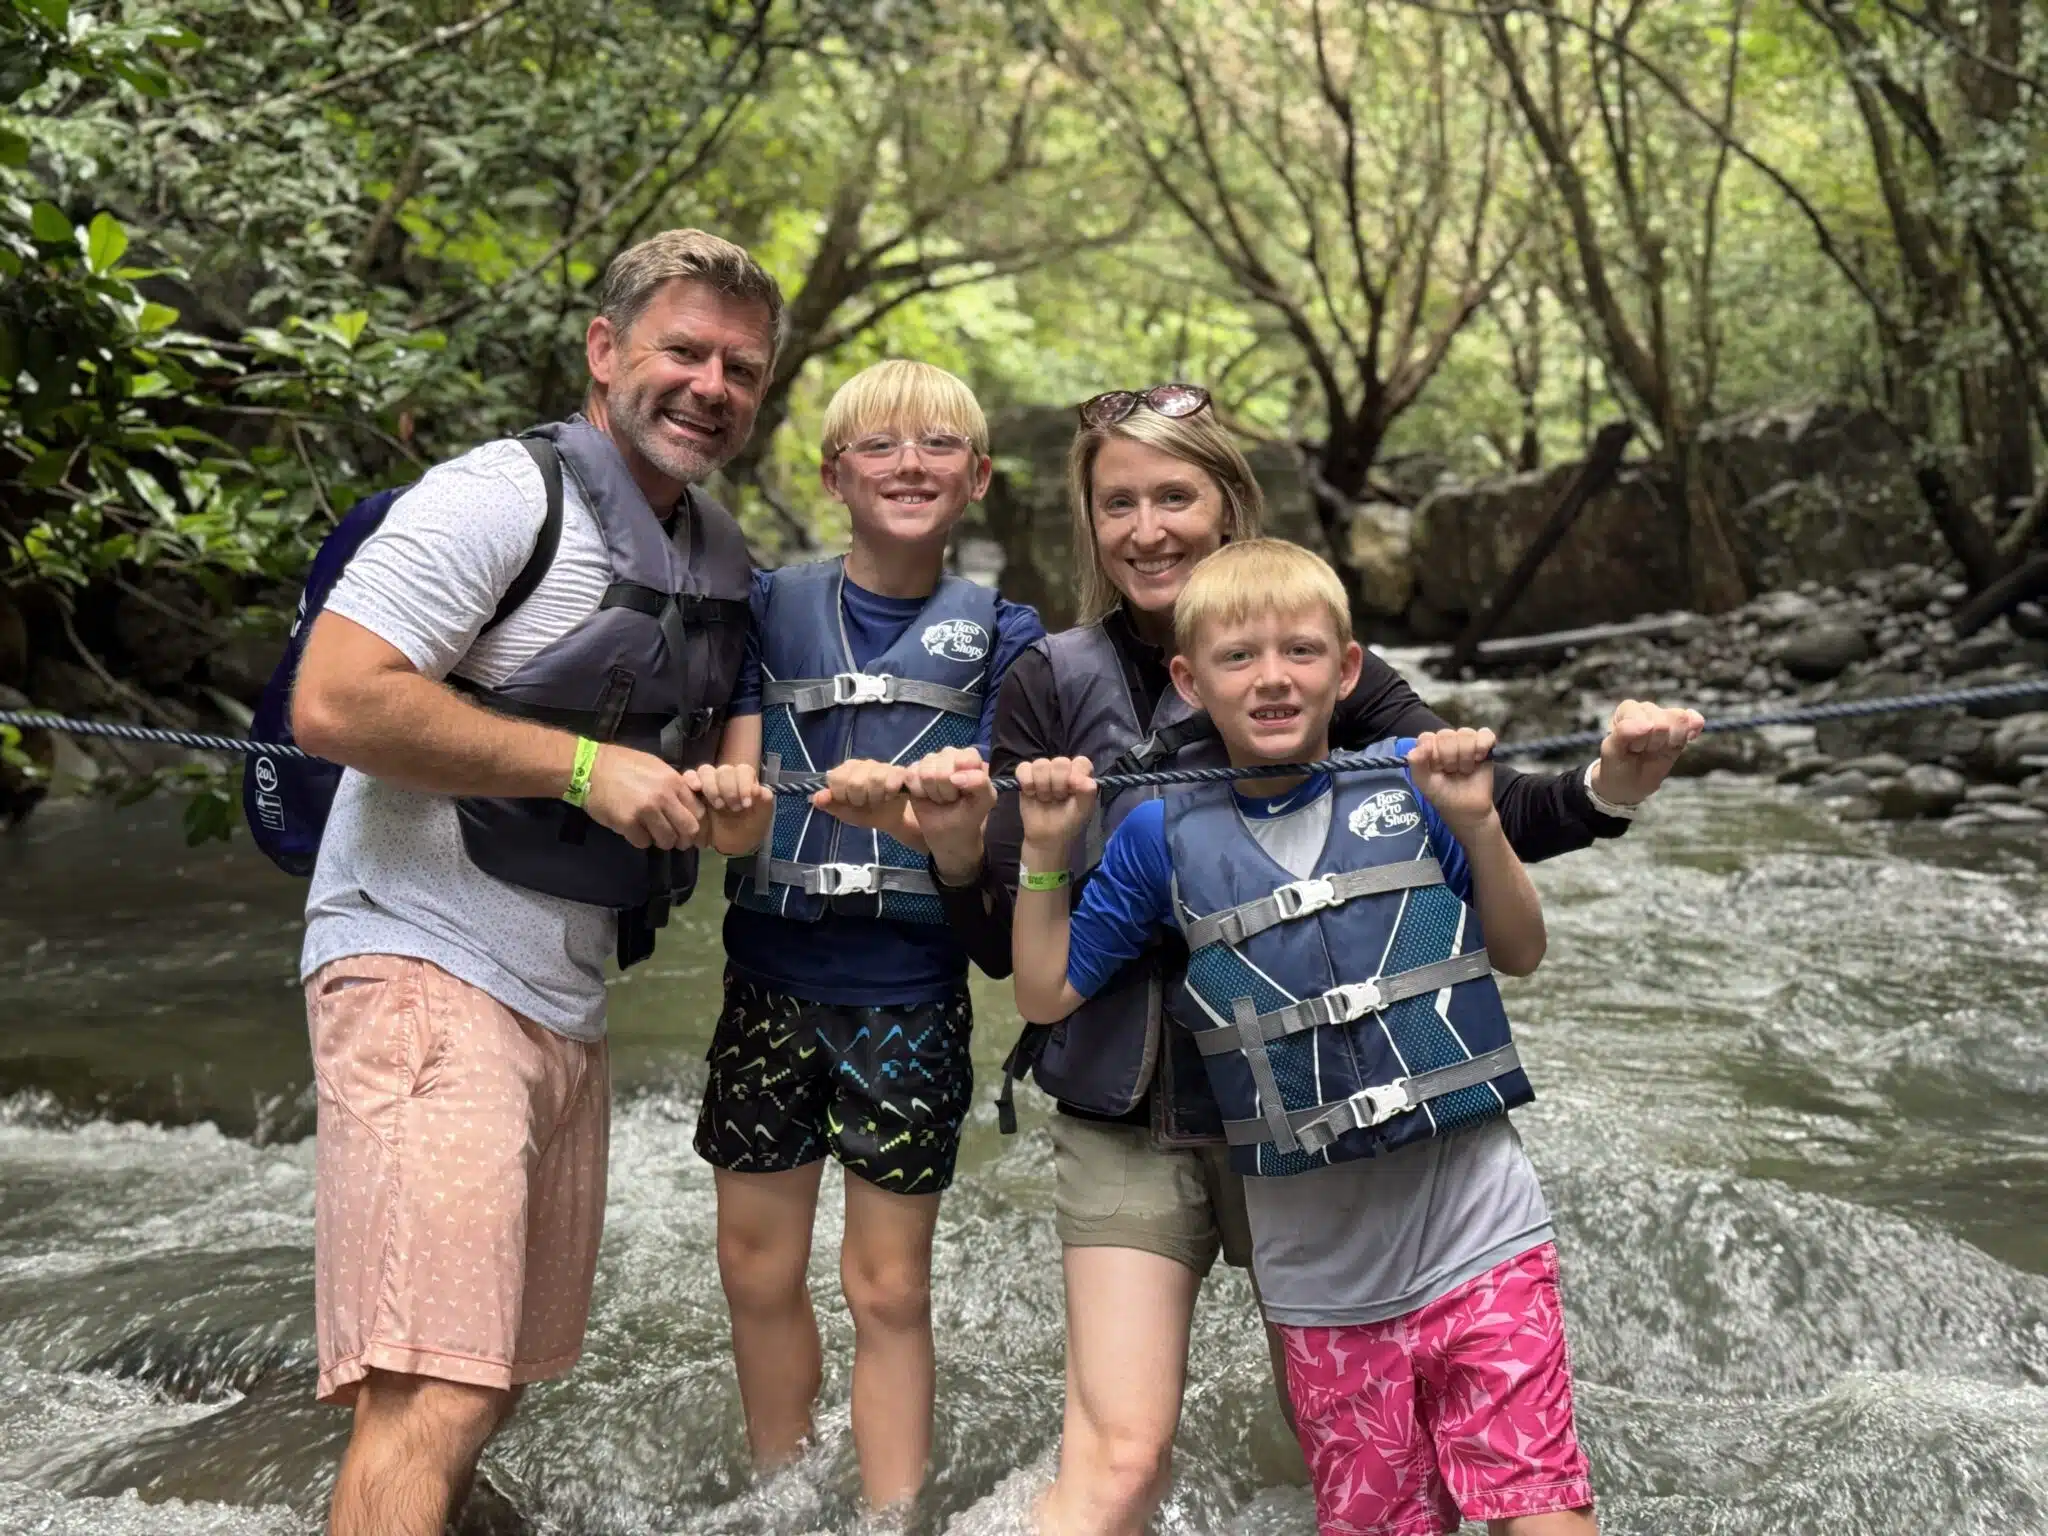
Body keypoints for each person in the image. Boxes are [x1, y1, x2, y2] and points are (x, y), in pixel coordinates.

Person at [892, 384, 1700, 1535]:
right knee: (1122, 1460)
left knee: (1356, 1461)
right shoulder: (1051, 682)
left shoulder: (1312, 661)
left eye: (1173, 495)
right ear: (1089, 523)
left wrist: (1609, 786)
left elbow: (1482, 807)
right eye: (1116, 503)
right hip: (1129, 1109)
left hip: (1318, 1127)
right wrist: (966, 848)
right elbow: (1011, 958)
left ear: (1227, 506)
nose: (1145, 528)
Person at [289, 229, 782, 1536]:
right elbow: (334, 700)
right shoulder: (498, 498)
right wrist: (582, 769)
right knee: (437, 1390)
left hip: (562, 1001)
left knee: (485, 1383)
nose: (712, 385)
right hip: (418, 962)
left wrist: (724, 807)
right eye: (684, 350)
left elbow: (721, 826)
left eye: (741, 366)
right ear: (606, 352)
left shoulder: (723, 563)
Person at [1009, 537, 1600, 1536]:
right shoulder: (1159, 832)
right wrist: (1041, 850)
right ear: (1189, 682)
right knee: (1380, 1521)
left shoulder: (1410, 790)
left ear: (1347, 669)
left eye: (1299, 652)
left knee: (1536, 1503)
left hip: (1476, 1227)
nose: (1273, 678)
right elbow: (1042, 992)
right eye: (1238, 659)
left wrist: (1478, 823)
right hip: (1319, 1275)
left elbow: (1521, 948)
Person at [685, 359, 1045, 1516]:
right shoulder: (767, 606)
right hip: (769, 980)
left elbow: (980, 842)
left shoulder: (1009, 635)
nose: (908, 464)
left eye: (937, 446)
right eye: (878, 447)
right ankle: (784, 1492)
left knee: (886, 1287)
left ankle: (890, 1516)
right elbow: (737, 802)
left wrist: (916, 806)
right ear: (834, 474)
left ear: (976, 478)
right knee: (755, 1266)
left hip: (908, 991)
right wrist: (732, 813)